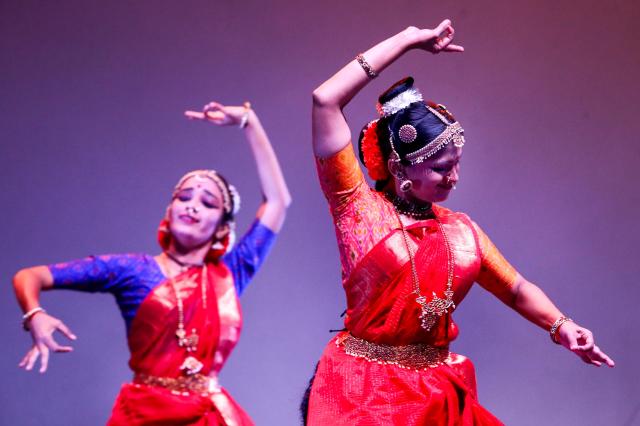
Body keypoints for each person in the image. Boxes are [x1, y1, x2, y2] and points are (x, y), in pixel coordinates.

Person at [305, 19, 614, 425]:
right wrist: (409, 40)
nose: (453, 177)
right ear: (401, 168)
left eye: (456, 165)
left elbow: (516, 287)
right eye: (440, 168)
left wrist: (561, 325)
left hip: (435, 393)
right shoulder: (358, 210)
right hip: (362, 393)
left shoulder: (461, 231)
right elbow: (325, 100)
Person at [13, 101, 291, 425]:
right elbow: (28, 276)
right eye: (183, 197)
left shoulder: (230, 274)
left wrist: (249, 121)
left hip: (206, 417)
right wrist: (35, 314)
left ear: (222, 227)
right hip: (144, 414)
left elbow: (278, 201)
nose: (192, 207)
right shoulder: (131, 270)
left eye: (208, 203)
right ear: (169, 211)